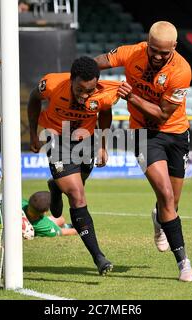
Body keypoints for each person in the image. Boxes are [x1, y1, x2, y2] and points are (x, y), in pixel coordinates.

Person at [94, 21, 192, 282]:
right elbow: (99, 62)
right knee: (164, 194)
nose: (158, 56)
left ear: (174, 47)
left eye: (164, 52)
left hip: (175, 133)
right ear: (147, 44)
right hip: (142, 134)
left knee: (172, 201)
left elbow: (162, 114)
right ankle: (184, 263)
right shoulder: (132, 53)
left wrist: (133, 98)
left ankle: (159, 219)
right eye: (154, 50)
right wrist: (78, 75)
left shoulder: (181, 71)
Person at [27, 56, 130, 275]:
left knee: (77, 185)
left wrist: (102, 146)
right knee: (77, 195)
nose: (84, 96)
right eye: (79, 90)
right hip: (55, 136)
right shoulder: (52, 84)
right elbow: (33, 99)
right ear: (71, 79)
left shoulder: (106, 91)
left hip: (86, 140)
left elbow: (105, 112)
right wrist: (33, 134)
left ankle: (56, 186)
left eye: (89, 91)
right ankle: (99, 257)